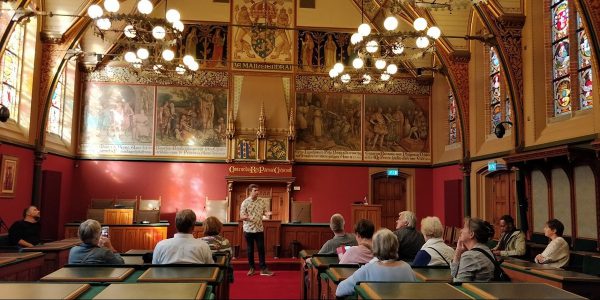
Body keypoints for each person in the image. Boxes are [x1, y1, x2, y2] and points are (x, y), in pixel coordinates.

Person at [336, 229, 416, 297]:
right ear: (396, 245)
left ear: (375, 247)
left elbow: (340, 290)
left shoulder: (368, 269)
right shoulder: (407, 268)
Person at [240, 184, 274, 276]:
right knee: (250, 250)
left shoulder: (261, 201)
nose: (257, 192)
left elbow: (264, 212)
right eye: (255, 190)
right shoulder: (245, 202)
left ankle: (263, 269)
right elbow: (241, 216)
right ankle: (252, 268)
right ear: (250, 191)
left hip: (259, 229)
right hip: (248, 229)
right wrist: (247, 217)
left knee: (261, 249)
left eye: (258, 190)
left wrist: (267, 213)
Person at [451, 218, 496, 282]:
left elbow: (458, 284)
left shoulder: (470, 256)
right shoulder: (486, 249)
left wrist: (458, 252)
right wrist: (458, 251)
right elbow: (455, 276)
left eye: (464, 228)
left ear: (471, 234)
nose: (461, 230)